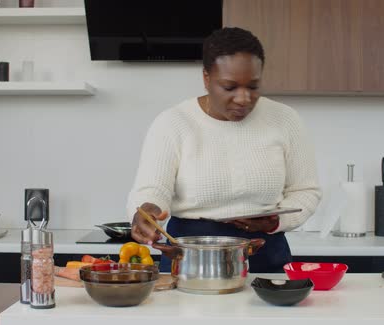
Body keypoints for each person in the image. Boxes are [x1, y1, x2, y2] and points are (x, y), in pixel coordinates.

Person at [126, 27, 322, 273]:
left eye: (253, 86)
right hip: (189, 255)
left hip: (264, 252)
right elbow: (153, 189)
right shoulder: (173, 122)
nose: (243, 98)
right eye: (230, 87)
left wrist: (276, 221)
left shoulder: (285, 119)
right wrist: (148, 210)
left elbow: (305, 191)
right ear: (207, 78)